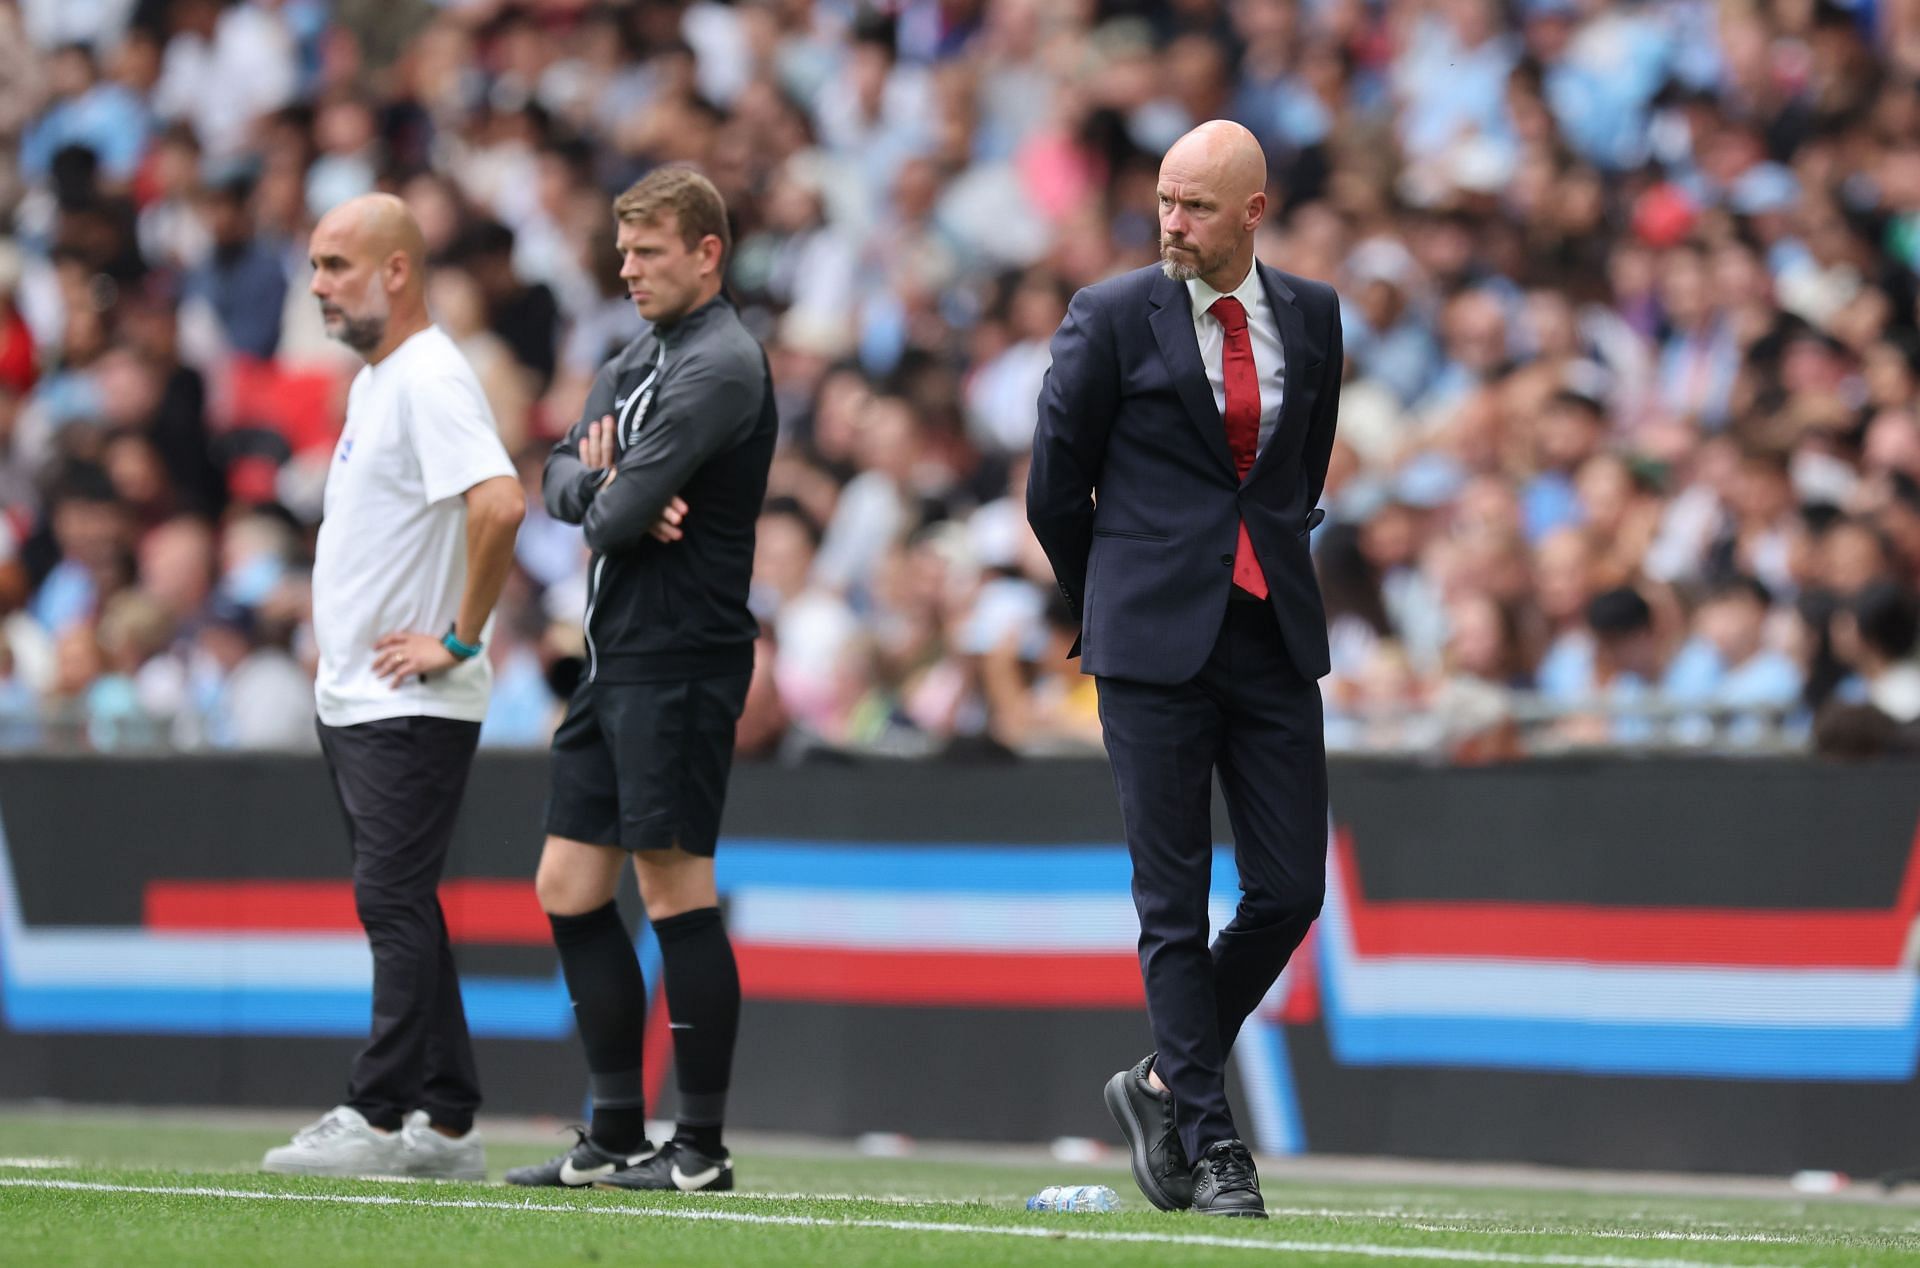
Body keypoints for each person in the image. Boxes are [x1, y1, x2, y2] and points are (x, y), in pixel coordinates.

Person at [1027, 120, 1343, 1219]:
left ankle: (1161, 1078)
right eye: (1165, 199)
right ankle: (1213, 1144)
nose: (1171, 222)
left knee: (1291, 887)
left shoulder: (1313, 315)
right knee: (1172, 899)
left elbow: (1298, 475)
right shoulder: (1110, 316)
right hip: (1150, 644)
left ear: (1254, 211)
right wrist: (1111, 594)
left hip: (1269, 636)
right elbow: (1053, 490)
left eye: (1196, 206)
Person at [508, 166, 777, 1193]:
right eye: (623, 253)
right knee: (569, 884)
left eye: (649, 251)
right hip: (615, 653)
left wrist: (610, 489)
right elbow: (560, 475)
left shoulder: (720, 363)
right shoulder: (637, 355)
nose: (629, 270)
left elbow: (610, 515)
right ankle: (615, 1128)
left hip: (682, 653)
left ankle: (700, 1147)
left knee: (673, 884)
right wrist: (607, 481)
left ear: (707, 252)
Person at [261, 194, 524, 1179]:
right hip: (363, 694)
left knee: (392, 897)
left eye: (336, 265)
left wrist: (458, 636)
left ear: (398, 270)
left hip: (407, 699)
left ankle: (377, 1110)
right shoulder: (383, 380)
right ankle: (447, 1122)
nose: (320, 285)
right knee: (404, 899)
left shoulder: (427, 377)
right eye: (318, 267)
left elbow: (499, 503)